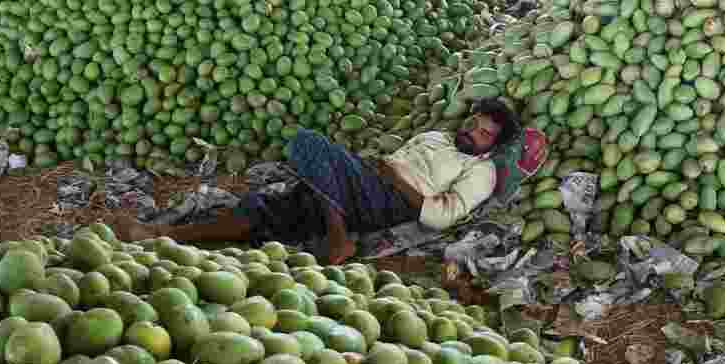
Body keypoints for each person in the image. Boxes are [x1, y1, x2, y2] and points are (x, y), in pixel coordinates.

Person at [114, 98, 522, 265]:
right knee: (264, 210)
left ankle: (338, 234)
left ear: (493, 145)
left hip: (388, 200)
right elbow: (387, 163)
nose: (471, 132)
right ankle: (163, 232)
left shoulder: (481, 172)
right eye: (472, 123)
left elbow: (440, 217)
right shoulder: (437, 137)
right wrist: (371, 170)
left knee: (309, 142)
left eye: (483, 133)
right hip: (362, 182)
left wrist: (394, 181)